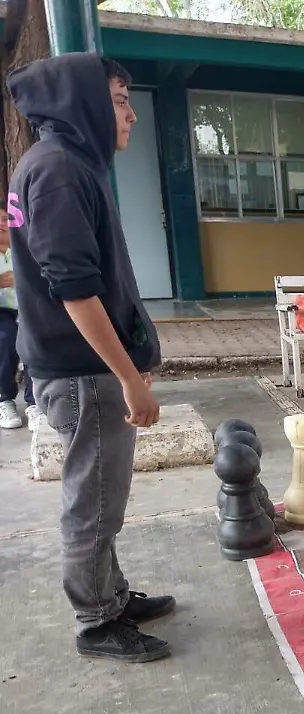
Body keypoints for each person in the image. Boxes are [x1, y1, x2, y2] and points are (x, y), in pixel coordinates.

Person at [6, 52, 174, 662]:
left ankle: (112, 596)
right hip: (84, 373)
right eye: (120, 101)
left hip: (82, 368)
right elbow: (74, 290)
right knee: (94, 504)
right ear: (82, 104)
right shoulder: (57, 171)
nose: (131, 114)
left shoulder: (64, 163)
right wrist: (129, 379)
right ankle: (97, 621)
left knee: (102, 498)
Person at [0, 211, 40, 429]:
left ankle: (35, 404)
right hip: (2, 312)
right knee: (5, 340)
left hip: (27, 310)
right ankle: (4, 400)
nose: (1, 224)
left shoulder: (26, 250)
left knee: (33, 341)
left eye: (5, 219)